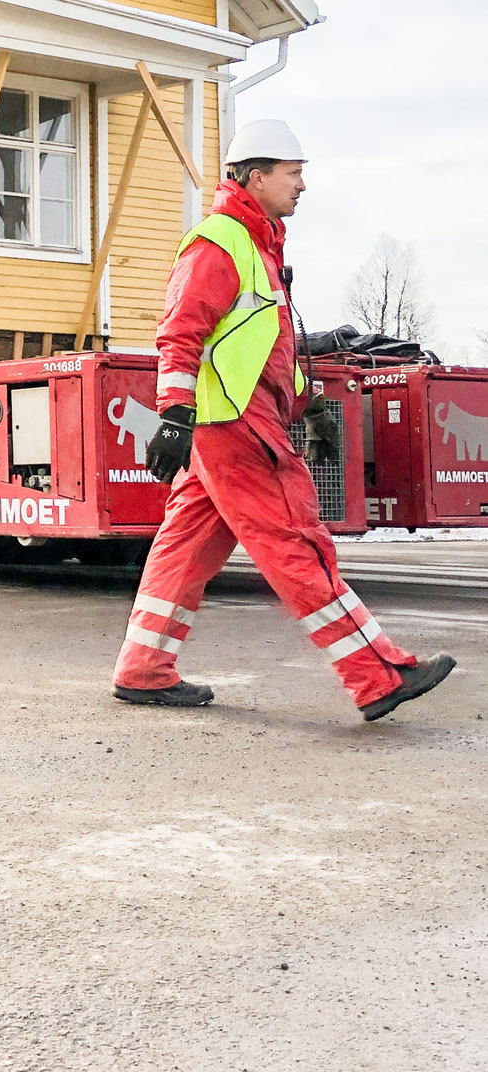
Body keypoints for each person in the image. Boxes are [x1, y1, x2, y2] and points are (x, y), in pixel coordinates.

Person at [111, 119, 456, 721]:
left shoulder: (260, 248)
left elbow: (266, 350)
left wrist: (310, 408)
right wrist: (172, 413)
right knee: (297, 542)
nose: (302, 186)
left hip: (231, 422)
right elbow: (180, 332)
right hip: (236, 427)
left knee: (184, 550)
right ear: (256, 176)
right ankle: (376, 675)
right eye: (294, 174)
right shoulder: (221, 242)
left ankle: (143, 670)